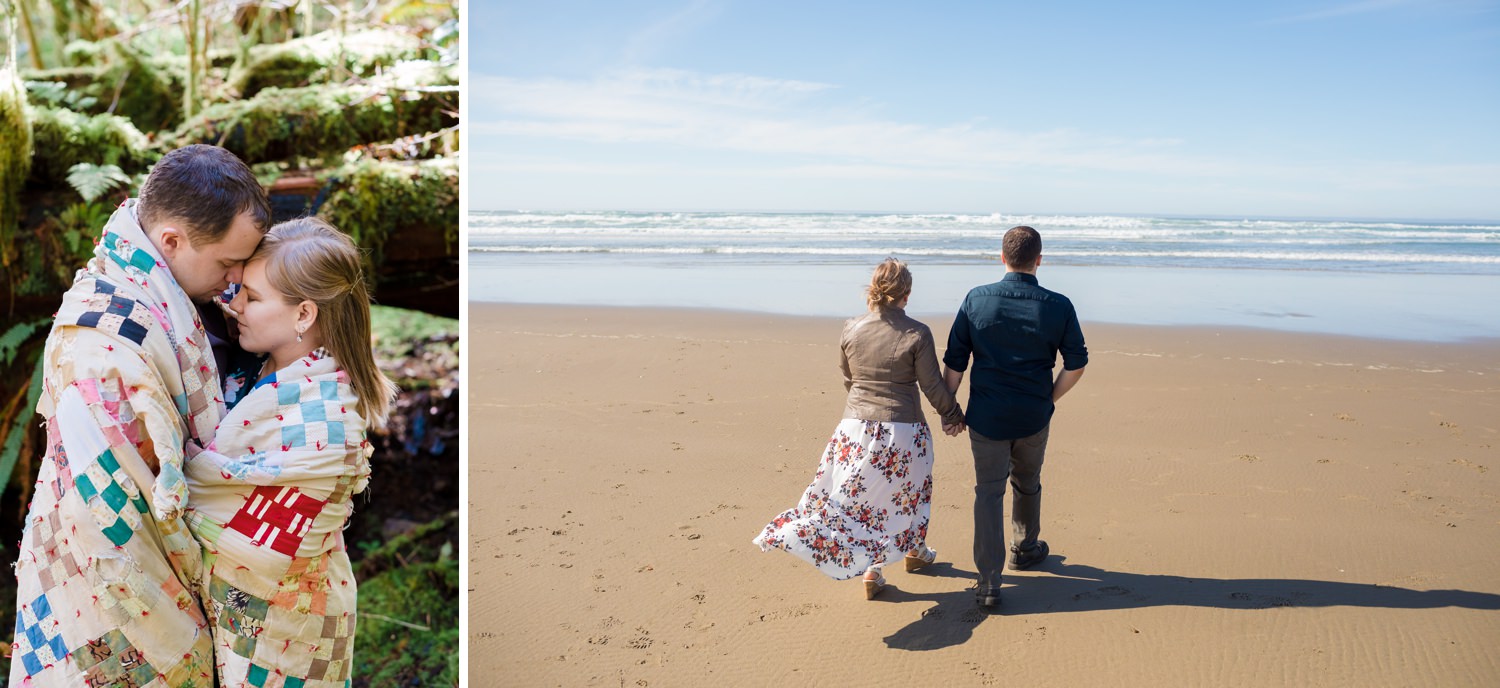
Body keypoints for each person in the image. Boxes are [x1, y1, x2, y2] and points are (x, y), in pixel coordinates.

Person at [9, 144, 269, 687]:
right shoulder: (103, 346)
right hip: (110, 565)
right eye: (227, 263)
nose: (235, 281)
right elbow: (114, 515)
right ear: (171, 240)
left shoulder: (160, 289)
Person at [181, 217, 398, 687]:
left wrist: (184, 473)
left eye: (252, 298)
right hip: (234, 610)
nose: (233, 304)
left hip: (295, 621)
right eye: (238, 289)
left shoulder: (329, 415)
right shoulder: (244, 368)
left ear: (304, 314)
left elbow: (260, 530)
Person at [754, 258, 966, 599]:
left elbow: (849, 378)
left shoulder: (851, 327)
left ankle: (895, 560)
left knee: (862, 500)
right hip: (902, 430)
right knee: (907, 495)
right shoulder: (916, 332)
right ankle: (896, 559)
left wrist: (861, 416)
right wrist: (953, 414)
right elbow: (931, 386)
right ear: (907, 294)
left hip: (853, 429)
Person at [942, 225, 1088, 608]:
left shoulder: (977, 299)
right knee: (1028, 481)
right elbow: (1076, 365)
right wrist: (1049, 398)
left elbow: (955, 362)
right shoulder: (1059, 305)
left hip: (987, 416)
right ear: (1039, 260)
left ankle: (989, 581)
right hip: (1032, 414)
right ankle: (1024, 547)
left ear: (1002, 257)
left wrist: (949, 409)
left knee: (988, 492)